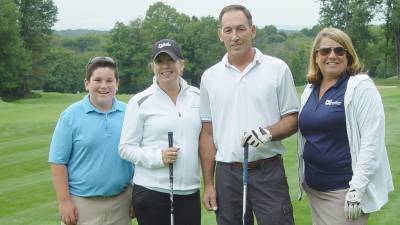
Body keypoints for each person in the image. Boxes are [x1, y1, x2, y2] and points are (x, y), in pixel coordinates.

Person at [199, 4, 299, 225]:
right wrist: (209, 183)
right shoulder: (209, 77)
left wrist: (268, 132)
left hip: (268, 170)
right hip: (227, 174)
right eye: (228, 30)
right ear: (220, 34)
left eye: (240, 29)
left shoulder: (277, 68)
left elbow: (292, 119)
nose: (235, 36)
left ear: (252, 31)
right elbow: (207, 133)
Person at [298, 27, 394, 225]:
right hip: (315, 189)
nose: (332, 55)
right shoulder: (310, 89)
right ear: (316, 57)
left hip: (343, 191)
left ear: (348, 55)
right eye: (325, 51)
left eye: (339, 51)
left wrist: (357, 189)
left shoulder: (360, 87)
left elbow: (372, 141)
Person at [119, 39, 201, 225]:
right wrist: (158, 157)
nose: (165, 66)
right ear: (152, 66)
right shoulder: (140, 101)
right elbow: (125, 147)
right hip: (151, 190)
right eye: (159, 61)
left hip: (189, 190)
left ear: (182, 64)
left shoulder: (198, 96)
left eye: (171, 60)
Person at [49, 56, 134, 225]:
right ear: (87, 83)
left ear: (117, 84)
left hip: (122, 203)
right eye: (98, 80)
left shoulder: (130, 113)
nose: (104, 85)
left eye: (109, 80)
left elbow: (138, 157)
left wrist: (136, 196)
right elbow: (58, 161)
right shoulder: (70, 116)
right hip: (81, 205)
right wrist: (64, 202)